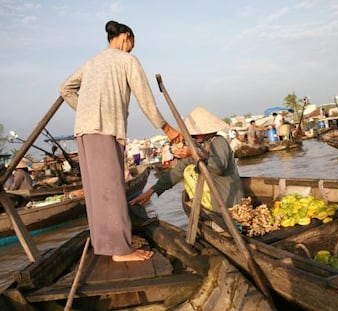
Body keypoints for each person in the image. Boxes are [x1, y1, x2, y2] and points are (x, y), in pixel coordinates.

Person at [60, 20, 180, 262]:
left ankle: (105, 243)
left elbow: (65, 89)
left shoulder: (93, 62)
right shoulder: (127, 61)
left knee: (97, 191)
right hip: (104, 129)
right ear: (127, 37)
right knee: (113, 188)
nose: (132, 49)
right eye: (132, 43)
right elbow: (145, 99)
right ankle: (121, 251)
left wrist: (86, 110)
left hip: (84, 130)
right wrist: (166, 127)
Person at [129, 106, 244, 217]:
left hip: (228, 203)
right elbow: (176, 172)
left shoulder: (219, 142)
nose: (193, 135)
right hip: (215, 202)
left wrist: (194, 154)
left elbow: (218, 168)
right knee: (188, 170)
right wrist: (150, 192)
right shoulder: (200, 146)